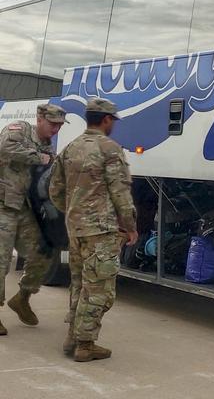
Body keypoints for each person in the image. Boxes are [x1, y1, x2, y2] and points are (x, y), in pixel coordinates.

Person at [49, 98, 138, 362]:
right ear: (107, 119)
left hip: (76, 229)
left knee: (78, 284)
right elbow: (120, 191)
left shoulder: (70, 147)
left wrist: (74, 212)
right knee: (99, 289)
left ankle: (72, 337)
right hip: (101, 231)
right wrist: (130, 226)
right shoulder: (109, 148)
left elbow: (55, 189)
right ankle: (85, 345)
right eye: (113, 121)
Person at [0, 103, 67, 334]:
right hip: (3, 205)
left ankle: (23, 296)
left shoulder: (48, 144)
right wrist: (38, 157)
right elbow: (4, 148)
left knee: (44, 251)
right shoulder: (18, 130)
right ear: (40, 119)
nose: (56, 129)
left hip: (26, 208)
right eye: (52, 124)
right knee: (1, 259)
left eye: (59, 126)